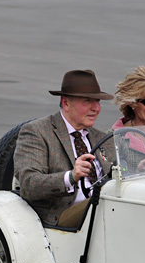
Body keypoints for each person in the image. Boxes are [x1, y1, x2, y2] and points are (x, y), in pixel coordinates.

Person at [14, 69, 117, 228]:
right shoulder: (37, 132)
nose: (96, 108)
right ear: (66, 102)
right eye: (87, 101)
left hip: (103, 207)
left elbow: (118, 175)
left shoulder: (102, 138)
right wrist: (71, 176)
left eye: (98, 101)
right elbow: (29, 184)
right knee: (108, 209)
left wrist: (140, 168)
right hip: (61, 215)